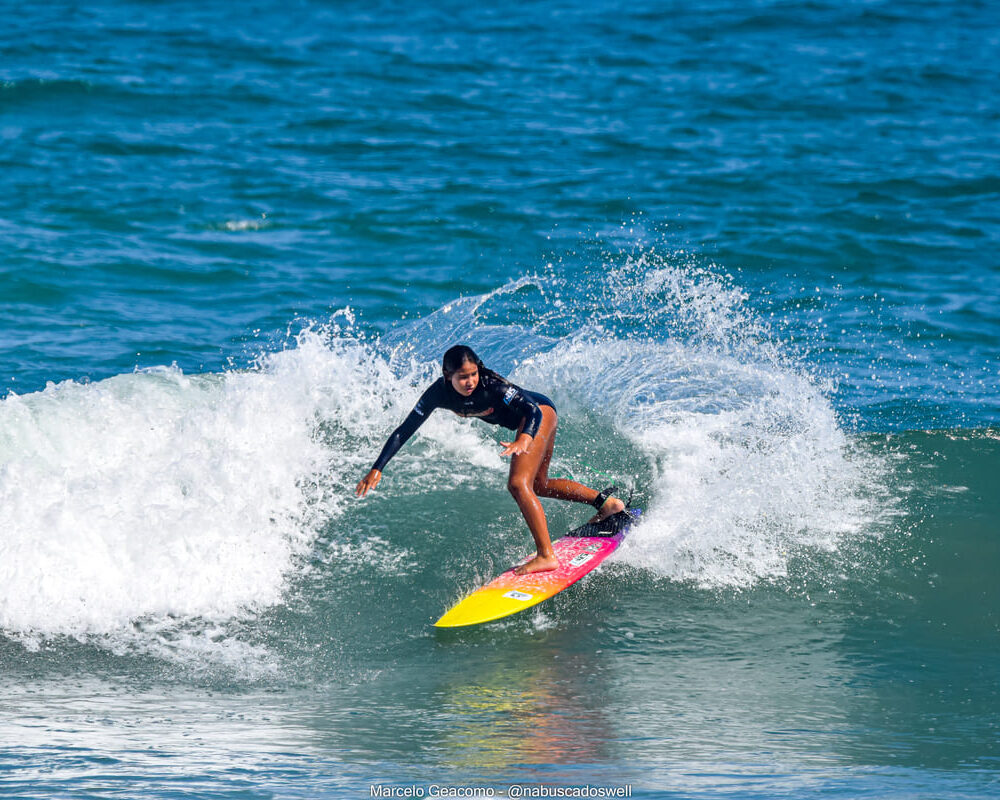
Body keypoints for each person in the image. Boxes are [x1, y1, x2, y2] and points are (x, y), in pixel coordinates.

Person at [355, 344, 626, 574]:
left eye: (473, 374)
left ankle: (546, 556)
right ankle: (608, 504)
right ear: (447, 375)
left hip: (538, 415)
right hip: (533, 419)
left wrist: (525, 438)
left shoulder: (491, 385)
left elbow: (531, 409)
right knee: (539, 485)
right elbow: (405, 429)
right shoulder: (437, 394)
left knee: (518, 484)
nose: (470, 381)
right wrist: (377, 468)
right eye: (463, 377)